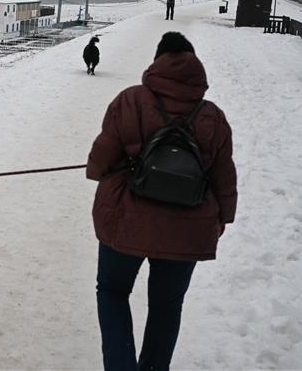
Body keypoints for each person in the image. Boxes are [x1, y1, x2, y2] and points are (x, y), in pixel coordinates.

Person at [85, 31, 237, 371]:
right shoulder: (212, 116)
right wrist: (223, 218)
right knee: (167, 306)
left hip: (126, 221)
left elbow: (101, 159)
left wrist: (100, 170)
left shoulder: (131, 100)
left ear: (157, 62)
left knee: (112, 291)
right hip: (189, 227)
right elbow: (224, 175)